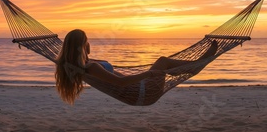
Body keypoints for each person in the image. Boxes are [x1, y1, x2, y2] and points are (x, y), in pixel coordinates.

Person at [55, 29, 218, 105]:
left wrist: (85, 50)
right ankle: (197, 64)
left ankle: (195, 65)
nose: (88, 42)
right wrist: (148, 74)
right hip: (143, 93)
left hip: (138, 92)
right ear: (81, 45)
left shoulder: (78, 66)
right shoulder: (91, 68)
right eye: (86, 40)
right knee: (163, 62)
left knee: (163, 63)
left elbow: (80, 59)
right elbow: (121, 82)